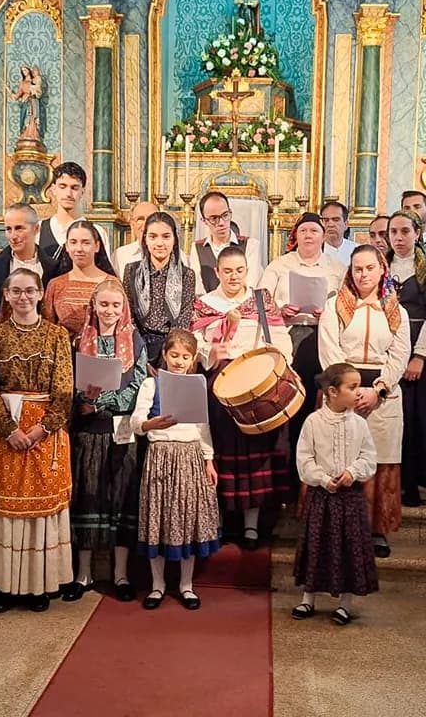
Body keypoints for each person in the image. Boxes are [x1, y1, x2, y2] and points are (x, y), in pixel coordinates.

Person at [0, 268, 75, 612]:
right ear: (5, 295)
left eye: (30, 291)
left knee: (39, 511)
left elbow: (64, 389)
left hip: (44, 432)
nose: (23, 297)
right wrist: (9, 430)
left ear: (40, 293)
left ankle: (38, 585)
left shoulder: (57, 336)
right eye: (16, 291)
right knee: (3, 510)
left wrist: (41, 429)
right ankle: (1, 585)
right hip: (4, 430)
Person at [192, 246, 294, 550]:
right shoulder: (204, 304)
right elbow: (194, 342)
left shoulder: (261, 301)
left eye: (239, 270)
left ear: (246, 271)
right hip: (220, 384)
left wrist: (277, 367)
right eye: (227, 271)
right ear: (218, 273)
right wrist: (209, 352)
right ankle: (220, 521)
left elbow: (281, 339)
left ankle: (251, 526)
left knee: (254, 455)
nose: (234, 276)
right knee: (221, 453)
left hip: (256, 383)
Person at [319, 246, 410, 558]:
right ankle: (339, 528)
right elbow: (330, 350)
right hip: (342, 391)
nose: (363, 275)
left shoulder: (397, 310)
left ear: (381, 269)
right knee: (340, 460)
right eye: (358, 269)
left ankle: (376, 530)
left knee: (379, 461)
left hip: (383, 395)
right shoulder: (335, 306)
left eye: (370, 268)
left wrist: (378, 389)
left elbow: (399, 356)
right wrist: (349, 390)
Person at [66, 280, 147, 602]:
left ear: (123, 308)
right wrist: (83, 401)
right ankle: (83, 573)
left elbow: (137, 386)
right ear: (94, 306)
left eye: (116, 305)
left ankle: (121, 574)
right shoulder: (80, 341)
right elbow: (71, 382)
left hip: (121, 430)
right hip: (89, 431)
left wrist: (104, 401)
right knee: (88, 499)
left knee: (121, 501)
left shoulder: (135, 341)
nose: (110, 311)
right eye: (104, 305)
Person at [132, 329, 221, 610]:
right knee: (158, 518)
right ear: (164, 356)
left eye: (185, 357)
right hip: (161, 455)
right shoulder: (151, 384)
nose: (179, 361)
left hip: (189, 456)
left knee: (187, 519)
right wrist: (149, 425)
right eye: (174, 355)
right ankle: (157, 585)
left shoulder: (197, 385)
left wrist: (208, 459)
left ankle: (186, 585)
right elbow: (136, 421)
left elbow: (202, 427)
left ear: (193, 359)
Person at [258, 213, 346, 481]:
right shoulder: (279, 265)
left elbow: (346, 304)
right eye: (304, 230)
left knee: (317, 403)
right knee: (287, 401)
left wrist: (329, 312)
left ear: (323, 235)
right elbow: (260, 303)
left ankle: (316, 472)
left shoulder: (336, 267)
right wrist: (280, 309)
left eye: (314, 230)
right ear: (295, 235)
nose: (309, 235)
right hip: (288, 333)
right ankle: (285, 473)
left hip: (322, 335)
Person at [291, 363, 378, 626]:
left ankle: (345, 603)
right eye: (352, 388)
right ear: (332, 391)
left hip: (350, 498)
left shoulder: (359, 424)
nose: (359, 393)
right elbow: (304, 459)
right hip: (322, 496)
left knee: (349, 547)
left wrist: (352, 471)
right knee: (317, 545)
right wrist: (322, 478)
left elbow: (369, 457)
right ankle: (309, 598)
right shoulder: (313, 422)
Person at [387, 210, 426, 511]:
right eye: (393, 232)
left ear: (418, 233)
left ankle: (411, 484)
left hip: (417, 349)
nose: (399, 238)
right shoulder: (381, 266)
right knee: (390, 420)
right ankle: (388, 484)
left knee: (415, 421)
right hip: (387, 351)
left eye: (405, 232)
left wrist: (420, 355)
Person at [123, 212, 197, 366]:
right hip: (137, 345)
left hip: (171, 350)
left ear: (175, 240)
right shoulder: (131, 271)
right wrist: (141, 355)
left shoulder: (186, 275)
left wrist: (167, 356)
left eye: (166, 236)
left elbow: (183, 321)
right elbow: (128, 315)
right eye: (153, 236)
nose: (159, 243)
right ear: (145, 239)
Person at [42, 220, 119, 341]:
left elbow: (123, 325)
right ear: (66, 246)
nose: (79, 249)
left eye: (86, 243)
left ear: (97, 246)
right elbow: (46, 328)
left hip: (100, 354)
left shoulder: (111, 283)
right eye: (73, 242)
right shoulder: (55, 285)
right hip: (63, 354)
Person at [0, 203, 58, 315]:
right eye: (8, 229)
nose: (13, 236)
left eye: (19, 228)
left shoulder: (53, 267)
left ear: (36, 229)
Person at [189, 191, 263, 293]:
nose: (221, 223)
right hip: (208, 306)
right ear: (204, 221)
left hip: (242, 306)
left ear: (230, 213)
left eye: (225, 215)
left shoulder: (251, 245)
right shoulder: (197, 248)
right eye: (214, 218)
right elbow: (198, 289)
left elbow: (251, 285)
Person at [38, 162, 107, 260]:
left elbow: (102, 272)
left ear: (82, 191)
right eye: (62, 186)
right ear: (53, 189)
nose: (68, 194)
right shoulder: (38, 230)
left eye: (74, 188)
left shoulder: (97, 232)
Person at [114, 201, 159, 272]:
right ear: (132, 225)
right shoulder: (120, 255)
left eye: (151, 219)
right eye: (140, 219)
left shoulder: (177, 255)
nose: (146, 224)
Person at [319, 201, 359, 267]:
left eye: (336, 220)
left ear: (346, 224)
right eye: (326, 220)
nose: (330, 224)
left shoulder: (357, 250)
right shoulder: (315, 250)